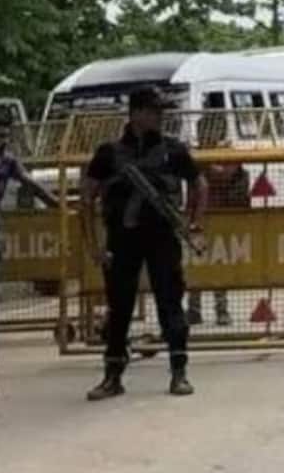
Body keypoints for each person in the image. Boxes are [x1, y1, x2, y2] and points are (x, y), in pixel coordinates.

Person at [81, 87, 205, 400]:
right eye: (153, 110)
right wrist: (93, 246)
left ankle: (179, 372)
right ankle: (112, 375)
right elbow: (86, 197)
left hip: (162, 236)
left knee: (170, 303)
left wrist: (194, 221)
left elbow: (198, 183)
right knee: (119, 306)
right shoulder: (109, 153)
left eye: (161, 110)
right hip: (122, 239)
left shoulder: (172, 150)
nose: (160, 116)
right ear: (135, 113)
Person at [0, 116, 55, 372]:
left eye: (6, 136)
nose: (4, 141)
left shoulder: (7, 161)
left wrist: (56, 203)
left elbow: (29, 182)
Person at [186, 114, 240, 328]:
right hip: (196, 215)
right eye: (202, 130)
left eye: (210, 130)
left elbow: (224, 175)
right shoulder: (195, 155)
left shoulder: (226, 154)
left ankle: (221, 309)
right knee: (195, 264)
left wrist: (205, 161)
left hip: (220, 215)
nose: (205, 135)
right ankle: (193, 309)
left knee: (218, 265)